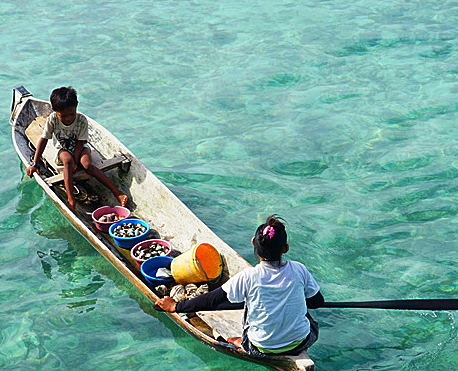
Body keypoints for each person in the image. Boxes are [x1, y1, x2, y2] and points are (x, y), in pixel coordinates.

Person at [154, 215, 324, 355]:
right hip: (301, 341)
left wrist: (176, 306)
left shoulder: (249, 276)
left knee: (249, 311)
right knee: (307, 316)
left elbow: (212, 300)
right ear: (285, 248)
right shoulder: (299, 269)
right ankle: (290, 339)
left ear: (253, 244)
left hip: (261, 348)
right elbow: (317, 302)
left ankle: (244, 343)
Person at [26, 87, 128, 211]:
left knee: (88, 165)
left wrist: (76, 159)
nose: (68, 118)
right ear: (54, 110)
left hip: (81, 147)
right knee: (68, 161)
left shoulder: (81, 121)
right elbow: (43, 140)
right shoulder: (52, 119)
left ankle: (117, 192)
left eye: (71, 114)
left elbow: (80, 142)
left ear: (76, 106)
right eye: (63, 116)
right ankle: (71, 199)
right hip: (62, 149)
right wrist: (35, 163)